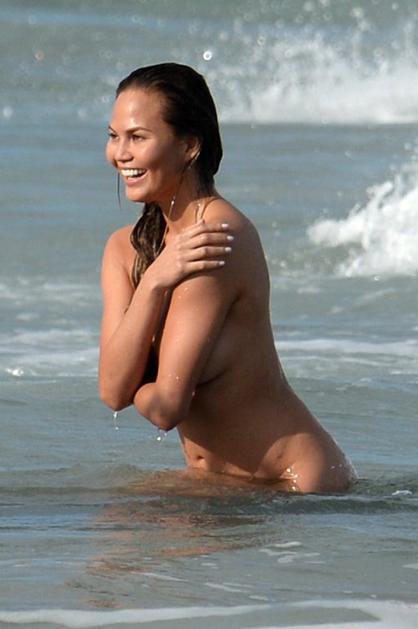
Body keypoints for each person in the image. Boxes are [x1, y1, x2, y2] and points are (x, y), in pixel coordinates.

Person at [99, 62, 356, 493]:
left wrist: (134, 385)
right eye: (113, 136)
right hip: (221, 484)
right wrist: (155, 282)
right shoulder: (125, 249)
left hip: (296, 486)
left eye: (137, 137)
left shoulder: (217, 238)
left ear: (189, 146)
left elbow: (165, 408)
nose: (120, 153)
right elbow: (111, 392)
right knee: (108, 531)